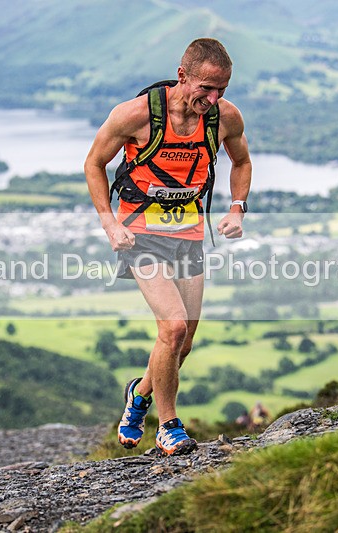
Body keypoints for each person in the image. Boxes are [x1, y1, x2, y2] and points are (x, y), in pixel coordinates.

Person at [84, 38, 252, 456]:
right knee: (173, 326)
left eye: (222, 90)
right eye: (206, 88)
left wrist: (237, 208)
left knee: (184, 340)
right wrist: (109, 223)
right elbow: (94, 164)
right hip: (140, 230)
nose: (213, 99)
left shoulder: (223, 117)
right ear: (183, 76)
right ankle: (168, 425)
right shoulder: (135, 115)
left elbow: (242, 161)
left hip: (189, 231)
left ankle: (138, 395)